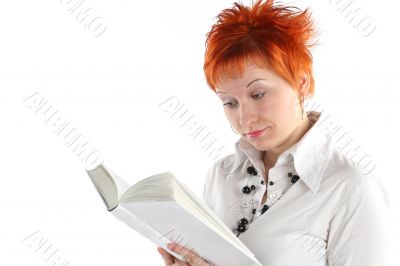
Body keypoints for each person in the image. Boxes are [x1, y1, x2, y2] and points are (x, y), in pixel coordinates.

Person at [158, 0, 389, 265]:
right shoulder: (220, 175)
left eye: (258, 94)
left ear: (301, 83)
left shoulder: (351, 187)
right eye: (229, 103)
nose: (244, 119)